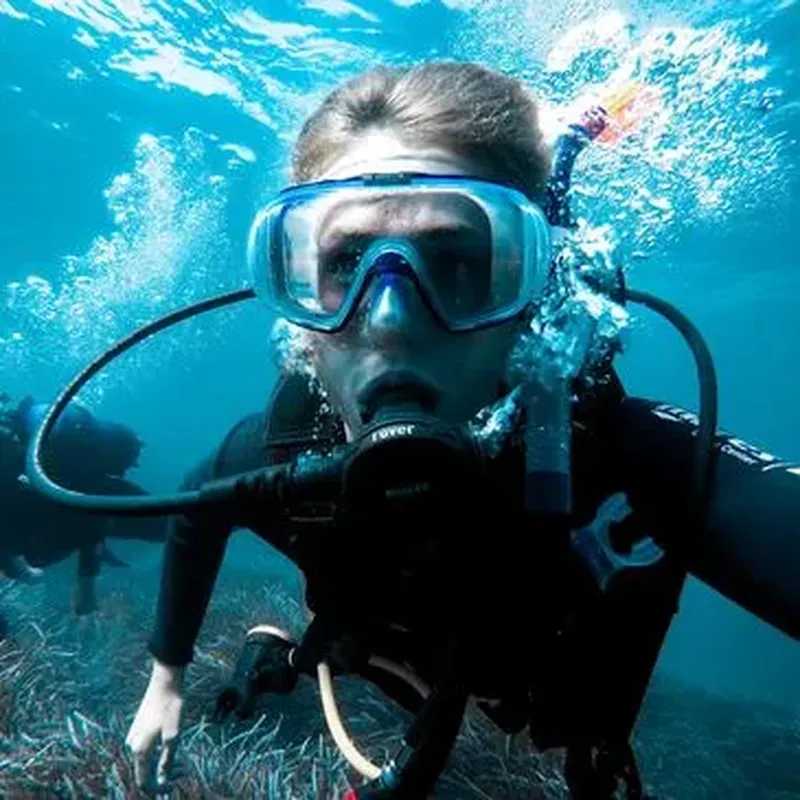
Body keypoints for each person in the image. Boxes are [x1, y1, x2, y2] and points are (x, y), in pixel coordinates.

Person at [124, 62, 800, 799]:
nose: (389, 319)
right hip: (384, 660)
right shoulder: (285, 451)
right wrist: (166, 677)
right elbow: (198, 504)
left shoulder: (633, 458)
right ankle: (289, 649)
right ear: (298, 297)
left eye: (457, 263)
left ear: (532, 293)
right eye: (347, 260)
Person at [0, 394, 166, 620]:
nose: (132, 467)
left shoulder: (74, 466)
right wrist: (86, 591)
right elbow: (91, 525)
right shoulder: (82, 472)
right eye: (130, 460)